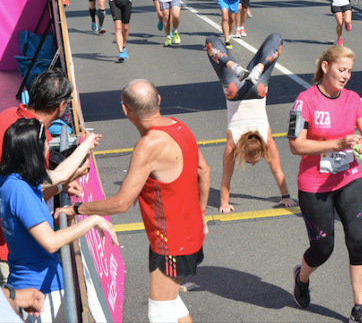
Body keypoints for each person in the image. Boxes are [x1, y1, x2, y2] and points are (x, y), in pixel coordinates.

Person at [55, 79, 210, 323]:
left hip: (170, 240)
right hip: (189, 232)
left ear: (125, 110)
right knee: (171, 304)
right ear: (159, 100)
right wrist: (200, 213)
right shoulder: (179, 125)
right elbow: (204, 170)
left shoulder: (148, 145)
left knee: (160, 313)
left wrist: (77, 208)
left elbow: (121, 203)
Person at [288, 46, 362, 323]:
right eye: (341, 69)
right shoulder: (304, 101)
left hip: (349, 179)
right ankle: (301, 278)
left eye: (349, 71)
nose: (346, 76)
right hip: (315, 185)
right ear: (325, 67)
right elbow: (295, 145)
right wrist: (336, 143)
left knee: (358, 242)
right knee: (323, 249)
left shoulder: (353, 98)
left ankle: (359, 309)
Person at [0, 118, 114, 322]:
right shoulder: (20, 190)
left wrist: (87, 144)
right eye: (46, 141)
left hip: (27, 285)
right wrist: (92, 221)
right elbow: (51, 242)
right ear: (34, 150)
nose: (49, 145)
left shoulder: (13, 178)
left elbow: (60, 174)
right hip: (42, 295)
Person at [204, 33, 296, 214]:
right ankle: (233, 66)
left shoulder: (267, 139)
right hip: (234, 91)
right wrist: (224, 203)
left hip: (257, 89)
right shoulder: (233, 143)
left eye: (250, 161)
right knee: (210, 41)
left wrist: (286, 196)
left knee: (276, 38)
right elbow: (226, 177)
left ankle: (256, 67)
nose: (252, 164)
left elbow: (278, 171)